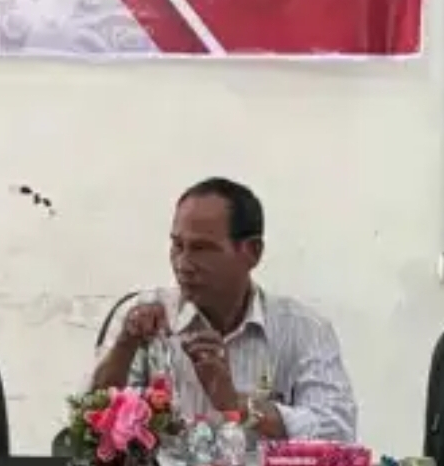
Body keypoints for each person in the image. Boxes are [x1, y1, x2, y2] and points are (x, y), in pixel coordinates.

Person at [89, 177, 356, 442]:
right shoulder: (142, 317)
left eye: (202, 249)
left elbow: (338, 431)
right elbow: (88, 425)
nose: (183, 264)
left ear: (252, 252)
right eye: (177, 245)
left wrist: (238, 405)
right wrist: (124, 347)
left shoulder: (303, 329)